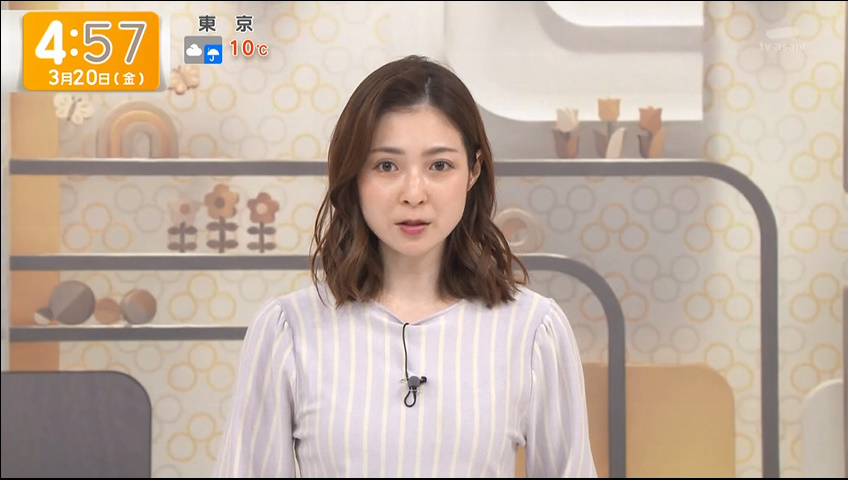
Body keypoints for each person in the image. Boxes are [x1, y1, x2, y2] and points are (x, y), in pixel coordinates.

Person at [214, 55, 597, 478]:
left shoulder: (534, 330)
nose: (414, 193)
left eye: (439, 165)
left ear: (473, 171)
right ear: (354, 175)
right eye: (386, 166)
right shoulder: (287, 330)